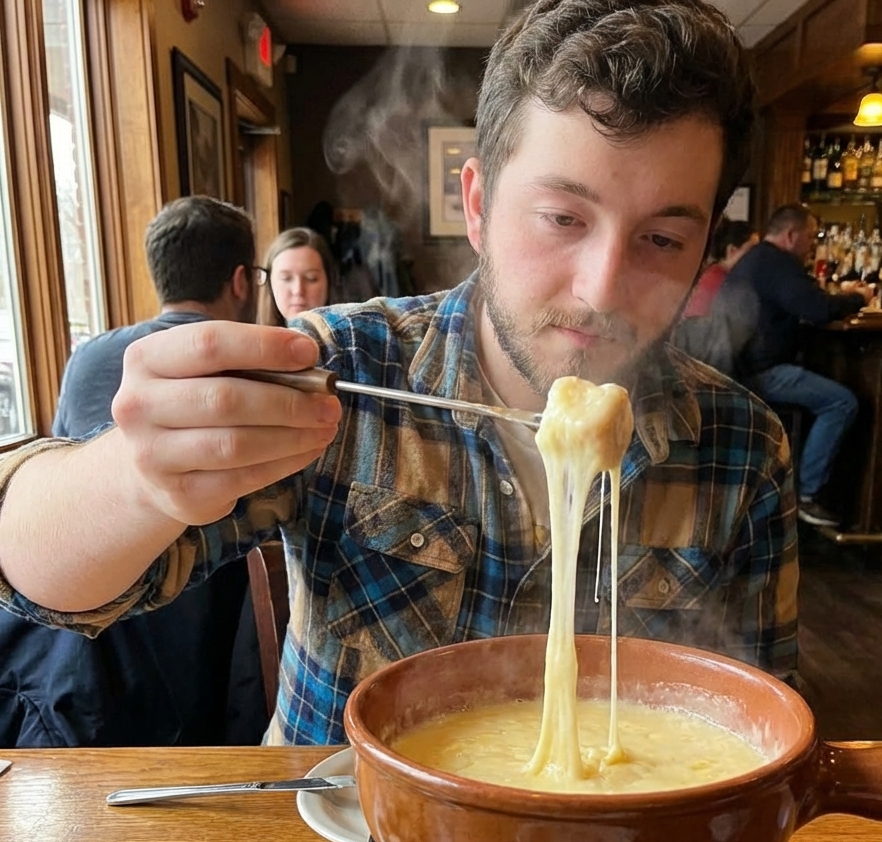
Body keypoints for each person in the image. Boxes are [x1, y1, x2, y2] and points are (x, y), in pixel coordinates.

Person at [0, 0, 797, 746]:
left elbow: (754, 730)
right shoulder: (339, 374)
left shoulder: (739, 447)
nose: (600, 288)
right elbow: (43, 585)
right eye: (563, 219)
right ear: (478, 204)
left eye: (661, 239)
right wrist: (135, 477)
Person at [0, 196, 265, 745]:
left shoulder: (90, 357)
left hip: (73, 674)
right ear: (241, 280)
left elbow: (61, 460)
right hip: (193, 659)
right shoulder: (253, 366)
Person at [721, 204, 873, 528]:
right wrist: (860, 298)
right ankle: (807, 495)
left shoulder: (756, 258)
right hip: (761, 372)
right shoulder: (778, 264)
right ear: (791, 235)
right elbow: (818, 308)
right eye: (811, 236)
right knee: (842, 402)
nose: (813, 244)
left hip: (738, 367)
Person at [257, 227, 335, 327]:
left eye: (311, 278)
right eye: (286, 278)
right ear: (269, 282)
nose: (298, 290)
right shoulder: (252, 340)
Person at [682, 218, 758, 318]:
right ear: (732, 250)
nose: (757, 255)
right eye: (752, 250)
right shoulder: (721, 281)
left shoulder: (712, 273)